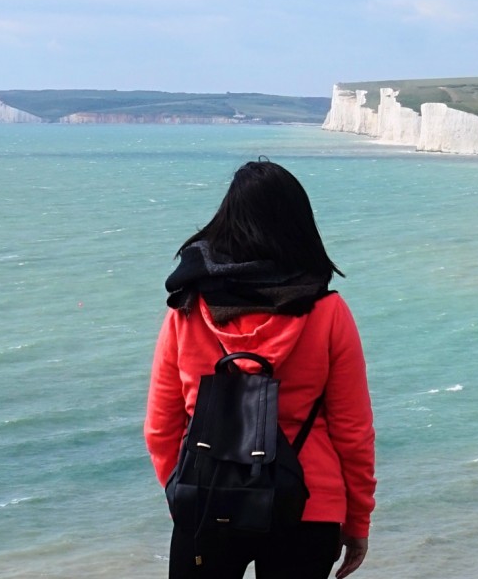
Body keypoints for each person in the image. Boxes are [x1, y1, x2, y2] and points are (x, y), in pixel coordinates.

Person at [146, 160, 376, 579]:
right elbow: (353, 433)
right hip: (308, 504)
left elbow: (161, 426)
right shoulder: (329, 312)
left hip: (207, 501)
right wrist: (358, 520)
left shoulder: (186, 309)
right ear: (299, 226)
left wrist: (181, 494)